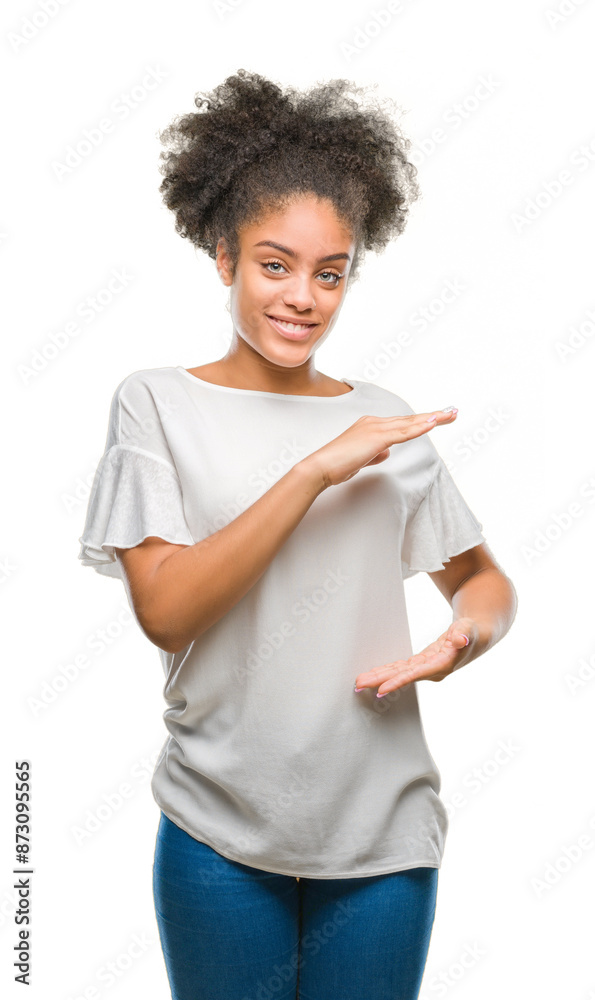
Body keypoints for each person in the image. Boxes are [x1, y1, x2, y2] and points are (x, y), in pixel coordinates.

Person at [78, 69, 517, 1000]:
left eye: (331, 272)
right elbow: (166, 611)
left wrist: (460, 640)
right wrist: (313, 469)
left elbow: (483, 582)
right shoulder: (157, 404)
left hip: (383, 838)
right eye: (274, 264)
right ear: (222, 256)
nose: (303, 297)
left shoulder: (385, 420)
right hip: (218, 835)